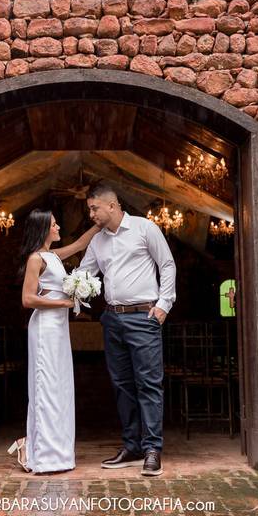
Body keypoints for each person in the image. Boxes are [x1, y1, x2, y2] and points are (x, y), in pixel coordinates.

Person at [78, 184, 176, 477]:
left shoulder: (145, 228)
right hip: (112, 320)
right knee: (122, 386)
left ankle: (152, 449)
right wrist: (54, 280)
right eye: (89, 209)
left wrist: (163, 305)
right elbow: (84, 275)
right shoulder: (97, 241)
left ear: (112, 205)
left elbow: (167, 265)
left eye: (94, 208)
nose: (91, 214)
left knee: (148, 384)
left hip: (143, 317)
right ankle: (132, 446)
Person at [8, 209, 100, 473]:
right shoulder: (35, 259)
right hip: (45, 329)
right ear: (43, 229)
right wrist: (63, 302)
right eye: (55, 224)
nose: (59, 227)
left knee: (60, 388)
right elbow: (27, 299)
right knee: (46, 387)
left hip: (59, 329)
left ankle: (52, 451)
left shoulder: (53, 256)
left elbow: (81, 244)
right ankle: (43, 454)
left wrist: (99, 225)